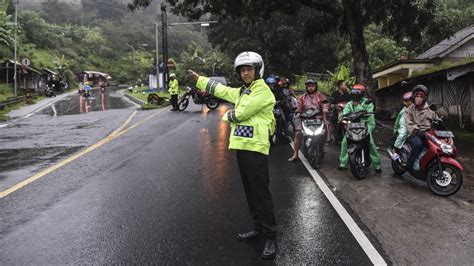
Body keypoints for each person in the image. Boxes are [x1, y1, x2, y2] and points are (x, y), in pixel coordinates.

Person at [187, 51, 278, 259]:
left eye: (249, 69)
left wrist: (227, 116)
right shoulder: (243, 91)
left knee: (261, 193)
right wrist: (200, 79)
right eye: (243, 70)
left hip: (256, 148)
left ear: (258, 70)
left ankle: (270, 236)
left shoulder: (262, 91)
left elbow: (242, 113)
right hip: (243, 147)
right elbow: (222, 90)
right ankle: (258, 227)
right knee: (249, 190)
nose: (246, 73)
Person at [338, 84, 382, 173]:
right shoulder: (349, 104)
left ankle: (377, 165)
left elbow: (369, 112)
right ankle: (343, 163)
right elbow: (345, 113)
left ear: (361, 94)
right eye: (354, 93)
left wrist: (358, 106)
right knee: (345, 142)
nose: (355, 95)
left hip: (366, 124)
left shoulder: (367, 103)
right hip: (353, 125)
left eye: (357, 93)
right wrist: (342, 116)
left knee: (370, 142)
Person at [288, 79, 327, 164]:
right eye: (309, 86)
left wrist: (325, 109)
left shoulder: (321, 96)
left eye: (312, 86)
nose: (311, 88)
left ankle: (322, 148)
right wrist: (298, 113)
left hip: (318, 119)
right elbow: (298, 108)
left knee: (325, 131)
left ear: (315, 86)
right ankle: (295, 154)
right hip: (305, 118)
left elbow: (325, 104)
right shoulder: (302, 97)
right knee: (298, 133)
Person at [403, 85, 437, 170]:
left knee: (434, 147)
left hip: (427, 134)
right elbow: (409, 123)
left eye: (421, 96)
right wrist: (416, 130)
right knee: (418, 144)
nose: (418, 98)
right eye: (417, 96)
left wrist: (442, 126)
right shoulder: (409, 110)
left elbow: (437, 120)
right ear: (414, 97)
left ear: (425, 98)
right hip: (413, 134)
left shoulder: (429, 111)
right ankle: (409, 164)